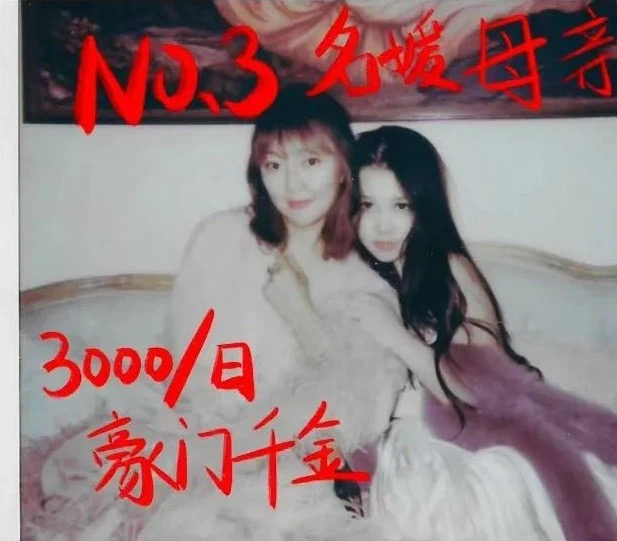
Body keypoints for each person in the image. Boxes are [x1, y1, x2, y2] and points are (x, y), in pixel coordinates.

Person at [31, 85, 409, 541]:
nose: (292, 184)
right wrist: (190, 442)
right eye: (274, 165)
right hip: (194, 434)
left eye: (311, 162)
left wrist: (301, 314)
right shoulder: (221, 238)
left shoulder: (365, 286)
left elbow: (359, 413)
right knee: (80, 468)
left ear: (344, 168)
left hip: (282, 462)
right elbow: (186, 367)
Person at [346, 125, 617, 541]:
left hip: (469, 438)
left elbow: (478, 391)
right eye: (367, 205)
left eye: (401, 205)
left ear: (424, 207)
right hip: (393, 449)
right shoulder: (352, 279)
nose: (382, 225)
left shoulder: (450, 269)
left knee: (477, 488)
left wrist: (395, 337)